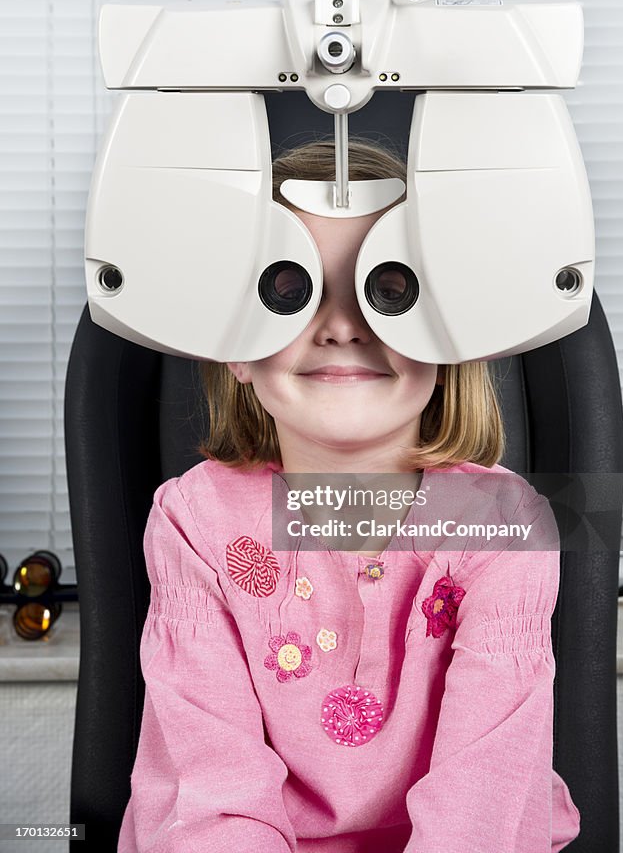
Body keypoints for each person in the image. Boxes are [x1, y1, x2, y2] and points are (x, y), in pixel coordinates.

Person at [117, 139, 581, 853]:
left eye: (389, 291)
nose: (342, 325)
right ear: (234, 346)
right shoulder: (193, 522)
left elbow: (480, 811)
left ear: (452, 335)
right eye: (290, 293)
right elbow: (218, 799)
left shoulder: (501, 525)